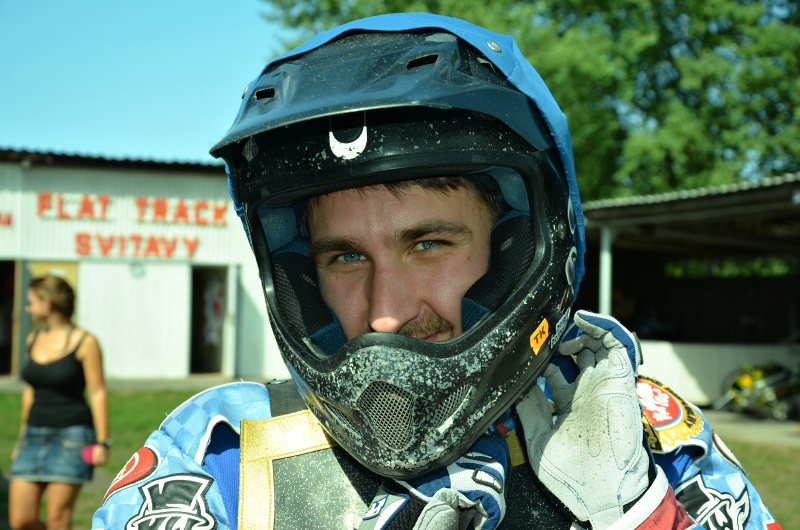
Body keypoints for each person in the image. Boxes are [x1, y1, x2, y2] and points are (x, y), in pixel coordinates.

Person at [92, 13, 781, 529]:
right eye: (346, 257)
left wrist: (643, 517)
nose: (384, 311)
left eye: (427, 244)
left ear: (517, 250)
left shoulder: (648, 437)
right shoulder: (219, 452)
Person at [10, 274, 110, 530]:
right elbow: (30, 392)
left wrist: (101, 442)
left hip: (73, 438)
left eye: (31, 302)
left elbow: (97, 392)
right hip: (33, 437)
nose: (27, 308)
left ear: (47, 303)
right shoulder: (33, 340)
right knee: (20, 520)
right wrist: (22, 437)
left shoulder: (86, 342)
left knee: (58, 520)